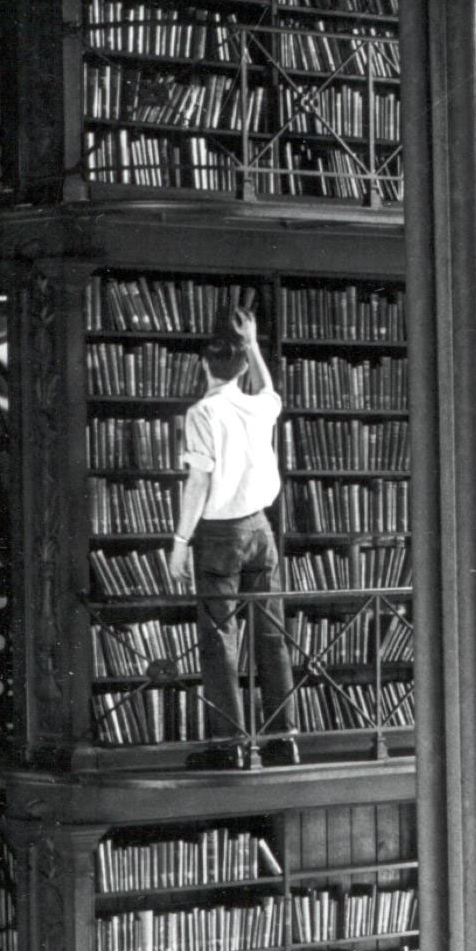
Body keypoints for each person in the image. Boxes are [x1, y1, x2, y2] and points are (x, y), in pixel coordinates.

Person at [165, 301, 298, 768]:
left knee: (220, 639)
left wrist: (179, 544)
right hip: (262, 529)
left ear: (204, 366)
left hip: (220, 535)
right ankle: (284, 740)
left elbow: (198, 483)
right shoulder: (260, 407)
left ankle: (231, 748)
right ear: (243, 366)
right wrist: (254, 342)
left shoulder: (202, 412)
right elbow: (268, 387)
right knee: (271, 634)